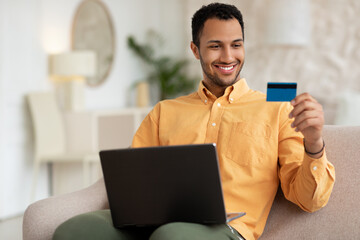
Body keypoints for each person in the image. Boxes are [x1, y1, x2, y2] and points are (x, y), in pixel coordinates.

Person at [53, 3, 335, 240]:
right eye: (215, 46)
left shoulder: (276, 110)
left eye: (236, 45)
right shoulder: (165, 111)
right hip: (156, 222)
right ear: (195, 49)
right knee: (74, 229)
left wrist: (314, 142)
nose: (228, 57)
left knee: (171, 235)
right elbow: (134, 180)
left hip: (226, 230)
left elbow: (309, 200)